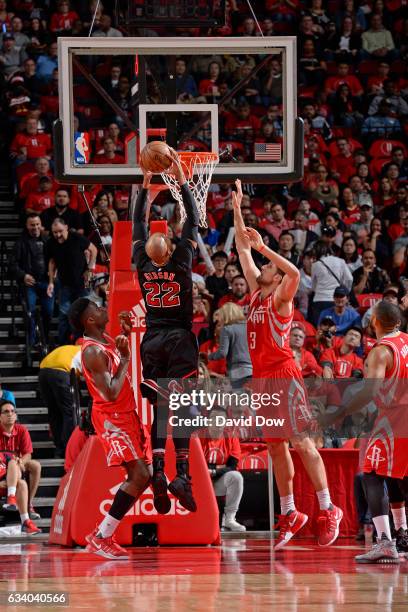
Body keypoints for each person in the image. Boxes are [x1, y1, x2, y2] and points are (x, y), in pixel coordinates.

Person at [233, 178, 343, 550]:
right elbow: (242, 250)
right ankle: (290, 511)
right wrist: (236, 208)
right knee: (276, 448)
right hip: (262, 381)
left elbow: (294, 273)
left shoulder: (281, 298)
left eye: (268, 265)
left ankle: (329, 509)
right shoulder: (254, 294)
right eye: (263, 263)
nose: (261, 264)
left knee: (301, 443)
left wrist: (265, 245)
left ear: (276, 278)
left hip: (284, 375)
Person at [131, 150, 199, 515]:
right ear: (171, 248)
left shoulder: (142, 262)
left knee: (161, 408)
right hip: (179, 339)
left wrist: (145, 183)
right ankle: (182, 473)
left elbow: (137, 224)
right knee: (184, 405)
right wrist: (182, 179)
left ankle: (158, 468)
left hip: (152, 341)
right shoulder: (183, 261)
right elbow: (193, 219)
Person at [68, 298, 151, 560]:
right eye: (98, 308)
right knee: (139, 475)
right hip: (112, 417)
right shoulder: (92, 351)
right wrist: (126, 357)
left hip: (126, 414)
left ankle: (102, 534)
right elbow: (112, 392)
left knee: (143, 475)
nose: (104, 308)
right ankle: (101, 536)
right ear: (89, 320)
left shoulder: (105, 340)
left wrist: (125, 333)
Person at [331, 302, 408, 563]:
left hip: (395, 418)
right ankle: (403, 534)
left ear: (374, 322)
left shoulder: (381, 351)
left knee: (372, 475)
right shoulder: (406, 341)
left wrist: (340, 412)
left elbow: (369, 392)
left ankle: (385, 541)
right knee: (399, 476)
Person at [45, 218, 97, 344]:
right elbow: (52, 263)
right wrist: (51, 282)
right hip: (65, 284)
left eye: (60, 231)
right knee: (64, 316)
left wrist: (90, 268)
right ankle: (63, 345)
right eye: (55, 232)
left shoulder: (77, 237)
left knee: (86, 314)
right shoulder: (51, 242)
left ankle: (87, 343)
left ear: (66, 227)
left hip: (83, 282)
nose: (58, 235)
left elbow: (93, 249)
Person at [9, 214, 54, 346]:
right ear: (27, 226)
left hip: (46, 282)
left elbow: (56, 259)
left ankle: (44, 338)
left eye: (37, 224)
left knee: (49, 311)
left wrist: (54, 274)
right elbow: (12, 264)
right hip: (30, 283)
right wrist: (23, 276)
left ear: (41, 225)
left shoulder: (49, 240)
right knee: (30, 310)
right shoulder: (20, 243)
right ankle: (32, 339)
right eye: (32, 224)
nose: (35, 227)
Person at [200, 407, 245, 532]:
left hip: (217, 481)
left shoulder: (231, 437)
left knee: (236, 477)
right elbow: (195, 464)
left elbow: (232, 466)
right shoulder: (198, 436)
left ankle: (229, 519)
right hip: (199, 482)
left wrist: (213, 471)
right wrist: (219, 467)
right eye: (214, 418)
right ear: (208, 420)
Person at [0, 400, 42, 528]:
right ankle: (25, 520)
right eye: (6, 411)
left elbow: (28, 454)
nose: (10, 414)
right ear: (0, 416)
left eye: (13, 411)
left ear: (16, 415)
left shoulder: (22, 430)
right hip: (1, 468)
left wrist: (20, 462)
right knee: (21, 481)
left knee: (35, 465)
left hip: (16, 467)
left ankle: (28, 503)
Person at [38, 344, 81, 458]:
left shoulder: (68, 349)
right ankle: (68, 448)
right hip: (60, 373)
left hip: (43, 373)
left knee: (54, 413)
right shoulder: (87, 351)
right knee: (69, 413)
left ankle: (59, 449)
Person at [207, 302, 252, 388]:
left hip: (237, 373)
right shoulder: (250, 326)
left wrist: (209, 356)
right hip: (253, 371)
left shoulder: (227, 329)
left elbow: (222, 353)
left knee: (239, 399)